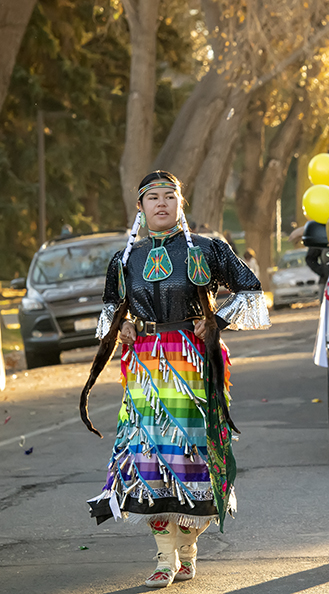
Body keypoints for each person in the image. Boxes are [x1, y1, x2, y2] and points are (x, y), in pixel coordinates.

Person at [82, 170, 269, 588]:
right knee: (151, 460)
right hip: (146, 368)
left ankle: (187, 546)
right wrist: (123, 327)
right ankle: (165, 558)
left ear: (180, 203)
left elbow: (251, 290)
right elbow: (111, 310)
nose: (162, 203)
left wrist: (215, 320)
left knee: (194, 460)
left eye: (170, 196)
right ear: (141, 207)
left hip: (193, 364)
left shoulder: (207, 249)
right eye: (154, 198)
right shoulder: (125, 259)